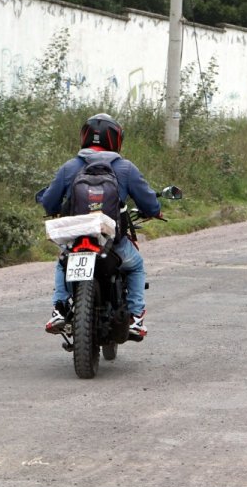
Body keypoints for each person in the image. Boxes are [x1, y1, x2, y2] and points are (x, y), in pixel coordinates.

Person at [37, 113, 162, 339]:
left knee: (63, 263)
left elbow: (48, 202)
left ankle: (59, 309)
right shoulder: (125, 168)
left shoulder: (69, 167)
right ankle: (135, 318)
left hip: (77, 242)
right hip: (112, 244)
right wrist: (155, 211)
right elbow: (150, 203)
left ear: (84, 136)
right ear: (116, 139)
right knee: (136, 266)